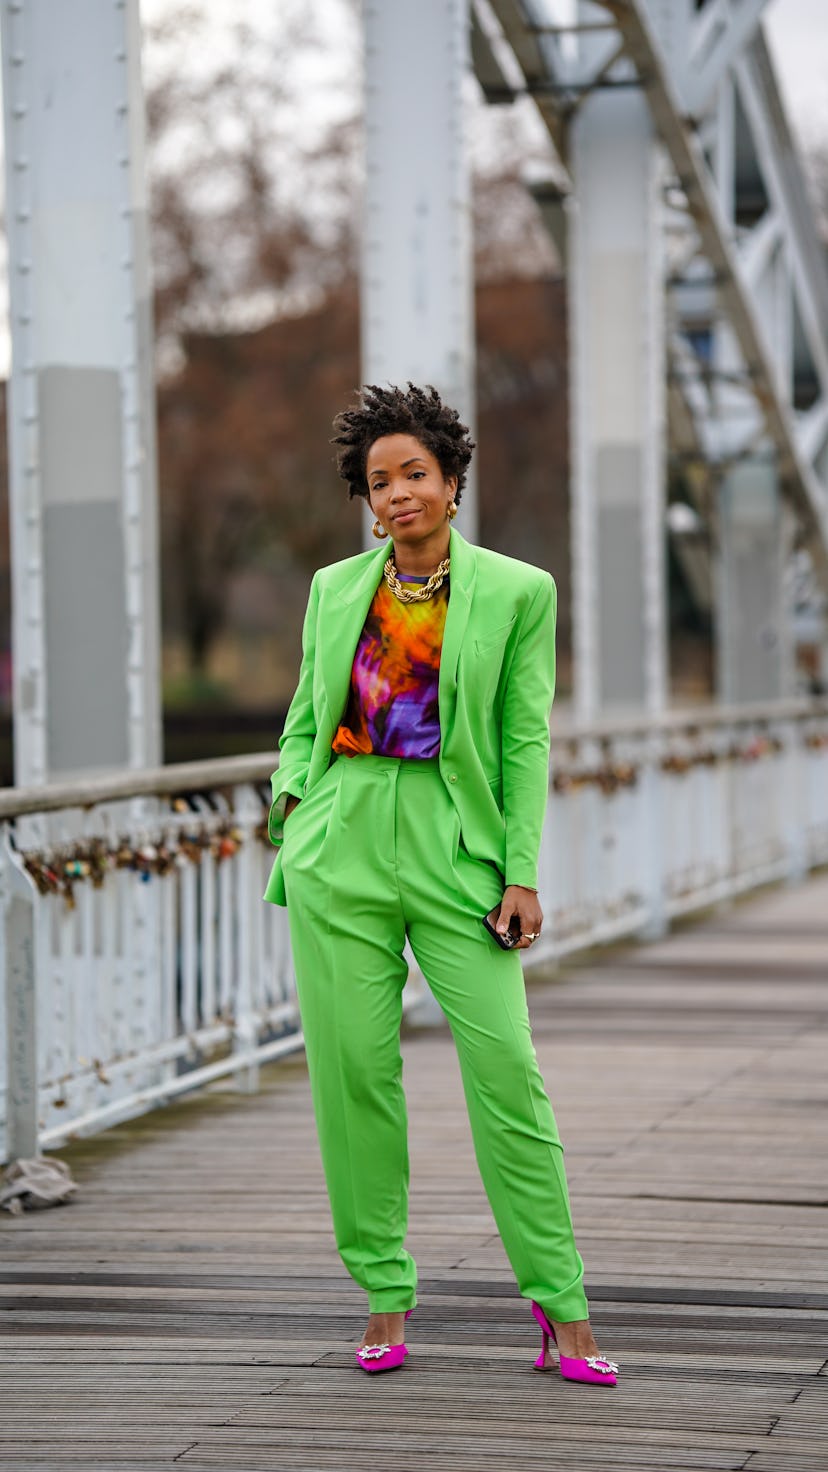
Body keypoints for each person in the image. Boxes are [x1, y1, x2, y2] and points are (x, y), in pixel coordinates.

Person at [264, 383, 618, 1384]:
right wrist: (295, 800)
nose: (398, 494)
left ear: (452, 480)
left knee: (509, 1074)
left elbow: (523, 734)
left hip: (456, 849)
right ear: (366, 498)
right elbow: (302, 716)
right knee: (356, 1076)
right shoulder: (337, 588)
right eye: (379, 481)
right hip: (342, 842)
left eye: (414, 472)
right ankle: (383, 1294)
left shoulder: (518, 590)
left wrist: (520, 870)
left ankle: (563, 1304)